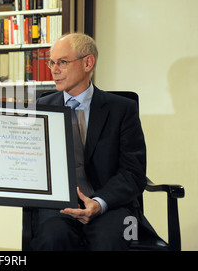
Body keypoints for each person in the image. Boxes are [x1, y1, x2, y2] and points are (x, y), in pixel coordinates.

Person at [30, 33, 149, 250]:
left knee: (109, 242)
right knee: (52, 239)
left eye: (62, 62)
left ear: (88, 63)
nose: (54, 70)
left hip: (111, 206)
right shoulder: (41, 107)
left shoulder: (122, 109)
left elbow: (133, 172)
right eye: (52, 62)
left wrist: (99, 203)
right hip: (59, 208)